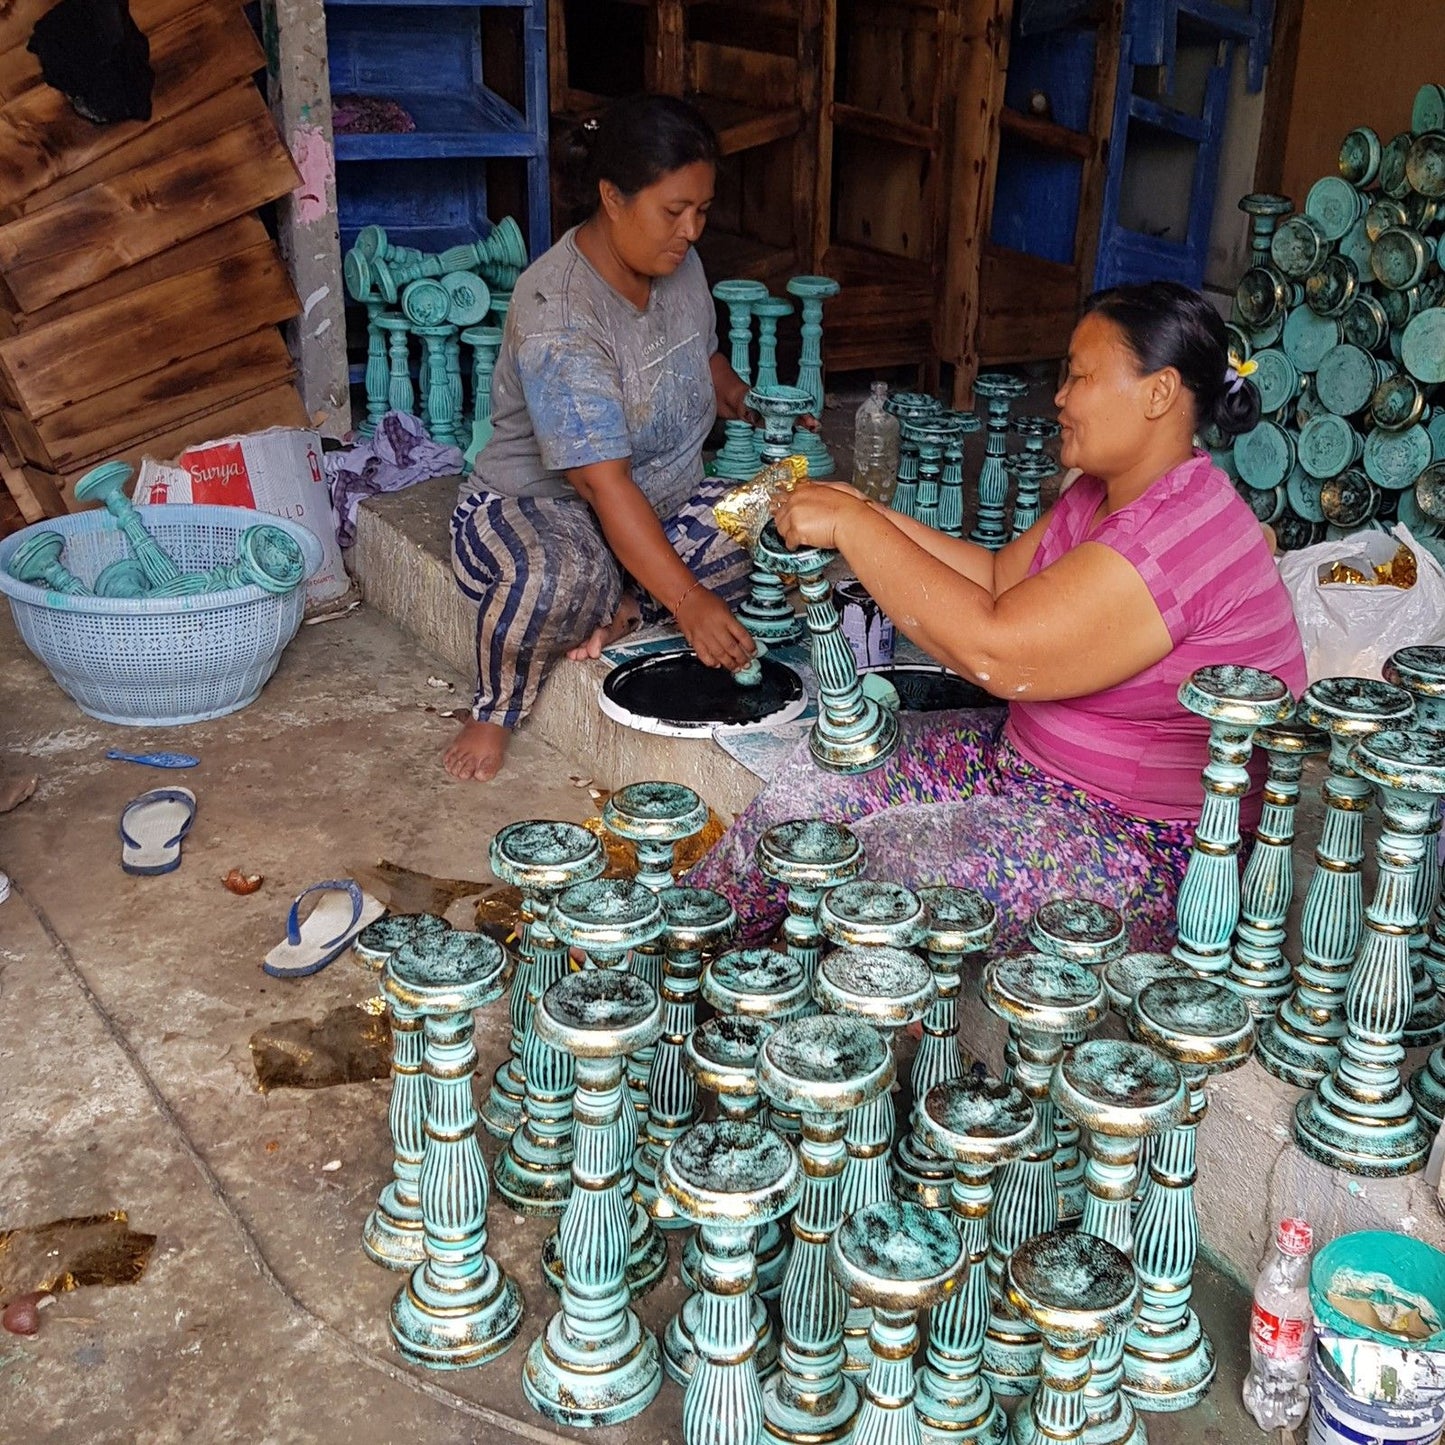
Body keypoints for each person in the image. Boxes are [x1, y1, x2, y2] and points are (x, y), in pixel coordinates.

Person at [689, 281, 1308, 953]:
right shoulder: (1104, 493)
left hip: (1139, 843)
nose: (1061, 396)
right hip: (1025, 768)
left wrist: (854, 527)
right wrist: (859, 511)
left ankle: (770, 1012)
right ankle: (679, 945)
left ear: (1157, 392)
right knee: (821, 782)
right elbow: (991, 579)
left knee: (871, 868)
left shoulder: (1186, 532)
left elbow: (995, 650)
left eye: (1078, 376)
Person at [446, 95, 763, 782]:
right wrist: (687, 602)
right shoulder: (558, 310)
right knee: (559, 578)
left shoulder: (679, 265)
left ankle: (622, 603)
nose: (690, 231)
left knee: (763, 518)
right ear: (612, 197)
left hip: (653, 505)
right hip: (535, 513)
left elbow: (697, 352)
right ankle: (495, 706)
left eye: (701, 211)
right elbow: (599, 482)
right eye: (673, 211)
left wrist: (739, 397)